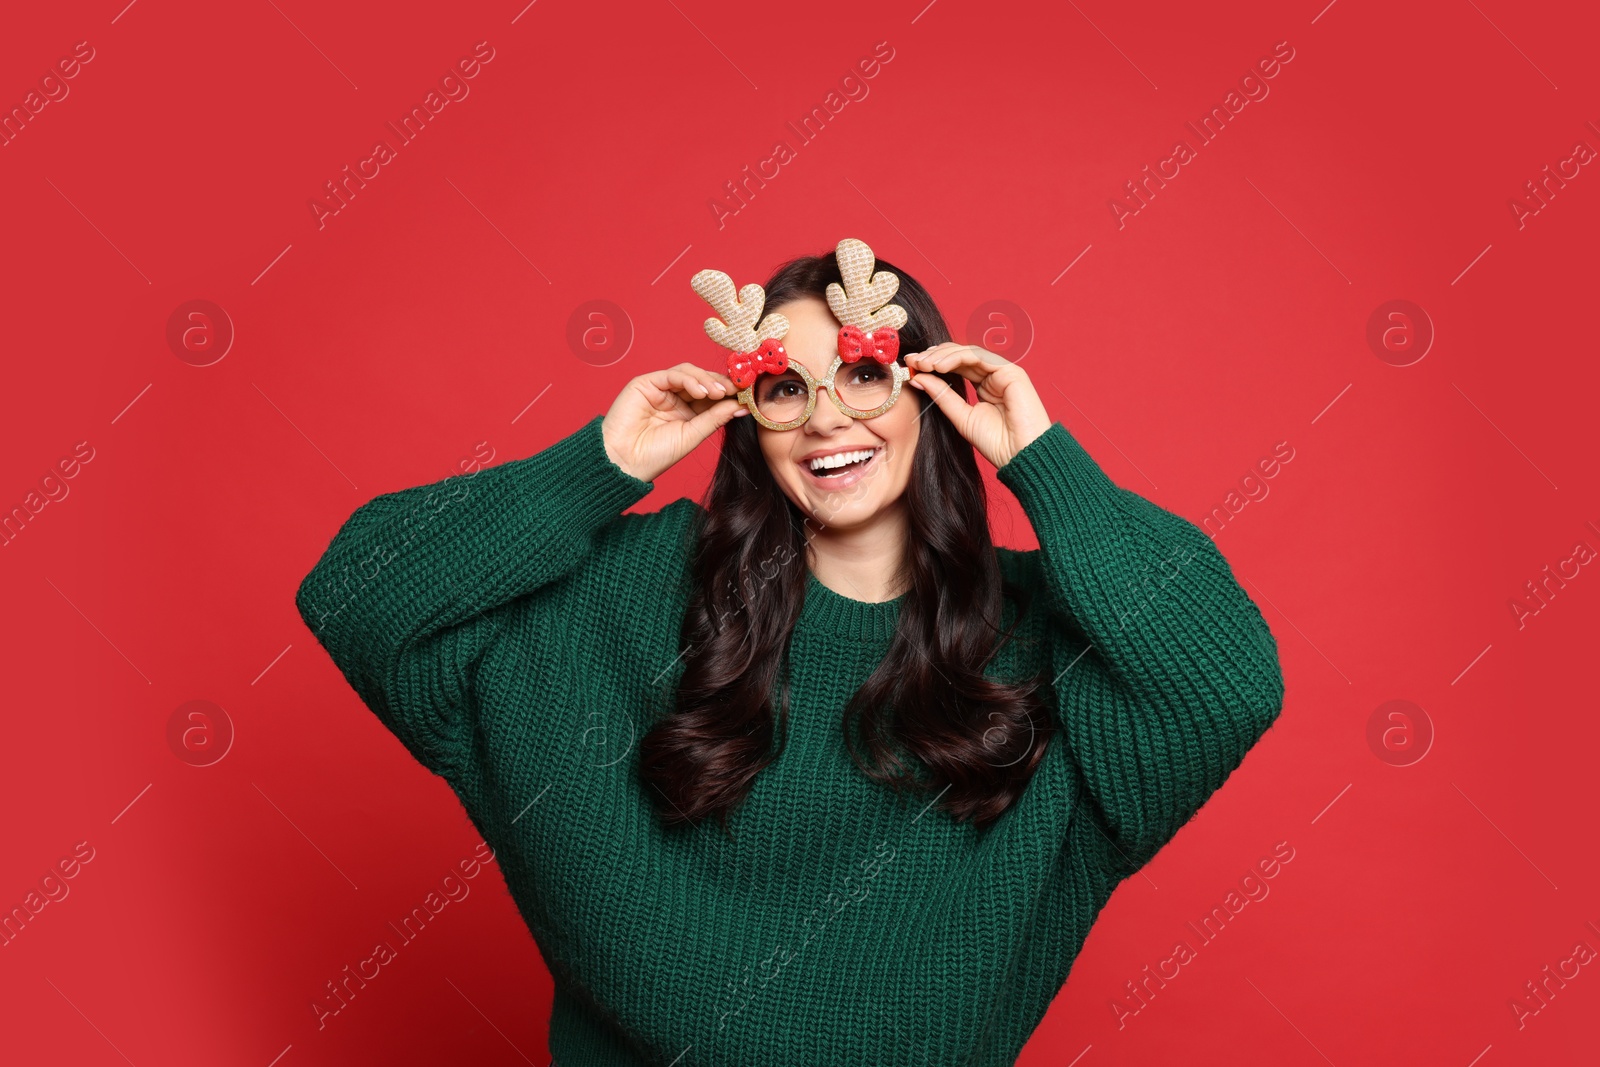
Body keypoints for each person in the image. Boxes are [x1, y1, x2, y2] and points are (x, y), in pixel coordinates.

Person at [295, 239, 1285, 1067]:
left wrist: (1040, 455)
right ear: (749, 420)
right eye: (782, 388)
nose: (825, 416)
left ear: (934, 391)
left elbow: (1226, 681)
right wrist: (597, 467)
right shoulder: (642, 588)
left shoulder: (1042, 642)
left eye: (862, 373)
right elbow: (360, 590)